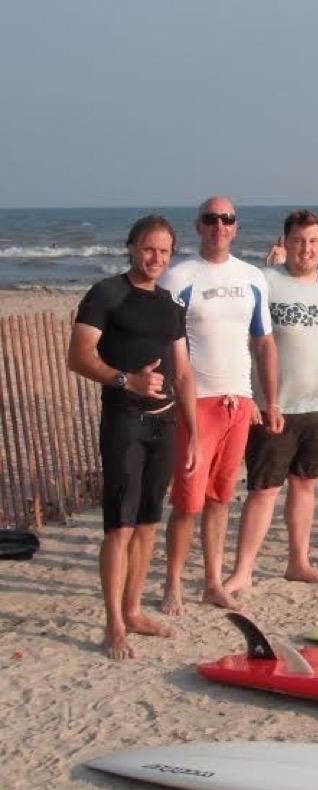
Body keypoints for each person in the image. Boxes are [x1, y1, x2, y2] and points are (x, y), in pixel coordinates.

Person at [66, 215, 198, 659]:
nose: (155, 257)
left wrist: (194, 432)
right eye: (148, 248)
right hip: (123, 419)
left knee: (147, 523)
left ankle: (135, 610)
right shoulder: (107, 294)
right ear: (130, 247)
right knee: (119, 527)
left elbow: (181, 371)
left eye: (163, 251)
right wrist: (127, 381)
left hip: (165, 423)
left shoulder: (169, 304)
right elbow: (78, 356)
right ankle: (114, 624)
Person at [223, 210, 318, 593]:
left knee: (305, 485)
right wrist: (249, 397)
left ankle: (297, 561)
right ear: (285, 242)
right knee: (264, 489)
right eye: (299, 240)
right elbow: (242, 341)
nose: (307, 248)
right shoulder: (264, 281)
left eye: (314, 241)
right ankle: (243, 570)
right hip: (277, 407)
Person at [159, 197, 278, 616]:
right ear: (198, 226)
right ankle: (172, 582)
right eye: (211, 219)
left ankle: (212, 581)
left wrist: (269, 400)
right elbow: (164, 343)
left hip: (238, 400)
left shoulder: (252, 278)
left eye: (226, 219)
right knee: (187, 501)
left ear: (236, 227)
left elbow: (263, 341)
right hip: (196, 402)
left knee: (221, 499)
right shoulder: (178, 277)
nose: (219, 226)